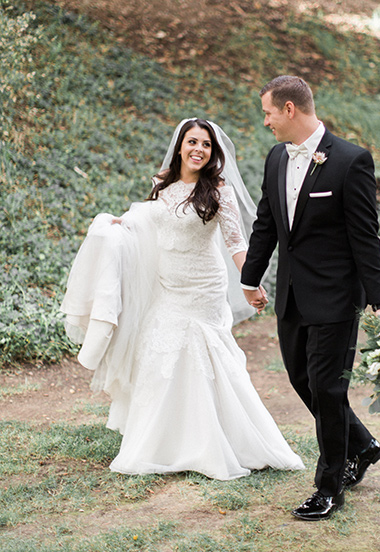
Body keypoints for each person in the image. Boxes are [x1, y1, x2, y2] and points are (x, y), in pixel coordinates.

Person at [61, 118, 304, 480]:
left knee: (201, 355)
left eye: (206, 145)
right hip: (167, 285)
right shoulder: (162, 184)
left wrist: (249, 283)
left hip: (203, 287)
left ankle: (218, 441)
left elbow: (237, 242)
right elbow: (148, 221)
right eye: (192, 142)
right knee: (159, 353)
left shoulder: (218, 191)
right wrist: (121, 225)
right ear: (179, 146)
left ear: (212, 153)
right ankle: (161, 443)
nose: (198, 150)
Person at [241, 76, 380, 520]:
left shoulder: (350, 161)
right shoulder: (275, 158)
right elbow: (267, 222)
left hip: (337, 297)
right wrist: (251, 277)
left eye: (268, 112)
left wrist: (379, 297)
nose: (264, 120)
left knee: (327, 387)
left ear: (290, 110)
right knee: (303, 381)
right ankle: (362, 445)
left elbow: (365, 235)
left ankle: (329, 487)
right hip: (291, 294)